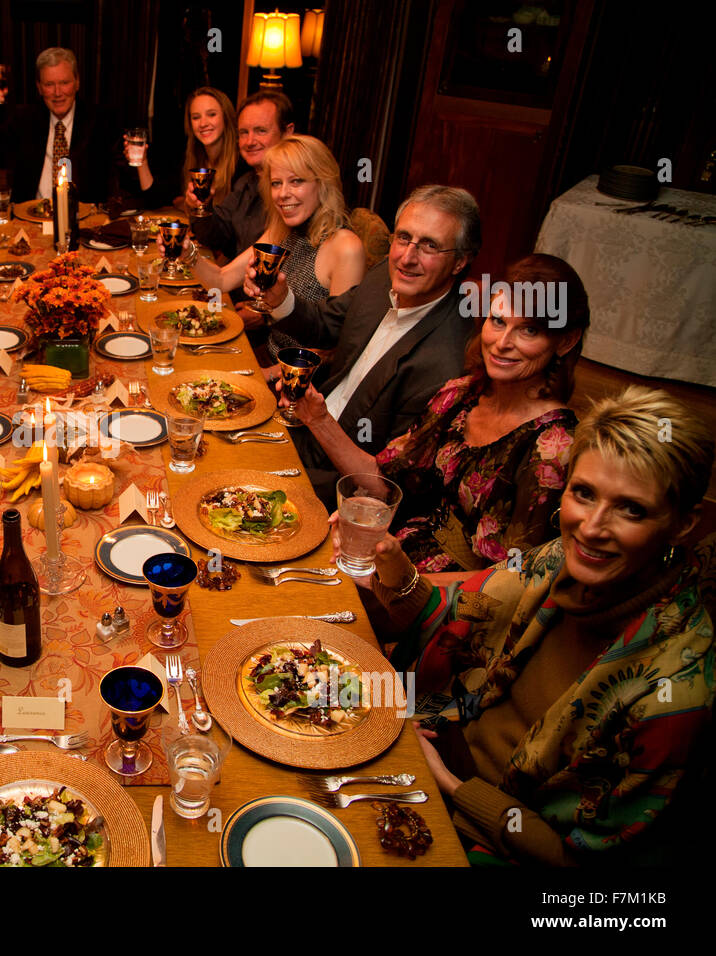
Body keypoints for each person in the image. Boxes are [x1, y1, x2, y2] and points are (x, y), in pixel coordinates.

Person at [343, 386, 714, 865]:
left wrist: (448, 784)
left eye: (631, 509)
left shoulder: (675, 691)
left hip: (481, 834)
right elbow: (453, 614)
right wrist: (391, 565)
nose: (592, 526)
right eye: (584, 494)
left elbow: (580, 860)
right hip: (427, 740)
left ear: (683, 523)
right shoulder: (558, 557)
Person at [286, 254, 587, 572]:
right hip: (394, 562)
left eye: (528, 331)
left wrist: (395, 576)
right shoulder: (460, 395)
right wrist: (317, 418)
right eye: (498, 321)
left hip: (449, 604)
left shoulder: (554, 448)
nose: (502, 343)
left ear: (566, 341)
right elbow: (385, 482)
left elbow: (510, 582)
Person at [249, 184, 483, 507]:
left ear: (459, 263)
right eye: (403, 237)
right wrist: (280, 299)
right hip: (305, 425)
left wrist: (318, 422)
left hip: (340, 479)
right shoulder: (385, 276)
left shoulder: (448, 362)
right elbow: (327, 323)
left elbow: (389, 487)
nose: (407, 257)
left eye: (429, 246)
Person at [191, 135, 365, 312]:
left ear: (322, 184)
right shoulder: (283, 230)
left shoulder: (346, 247)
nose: (282, 193)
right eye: (276, 183)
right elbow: (222, 279)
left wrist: (277, 305)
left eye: (296, 181)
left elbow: (337, 335)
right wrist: (185, 252)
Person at [0, 47, 121, 202]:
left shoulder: (101, 122)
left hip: (84, 218)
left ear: (77, 83)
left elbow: (119, 178)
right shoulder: (24, 120)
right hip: (30, 216)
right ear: (39, 87)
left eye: (64, 83)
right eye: (49, 84)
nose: (57, 92)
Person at [187, 90, 294, 259]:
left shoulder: (297, 190)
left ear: (287, 132)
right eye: (244, 132)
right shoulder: (246, 183)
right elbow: (216, 236)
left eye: (261, 131)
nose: (250, 141)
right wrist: (201, 206)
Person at [125, 87, 239, 210]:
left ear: (226, 117)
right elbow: (155, 198)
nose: (203, 123)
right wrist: (142, 162)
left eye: (211, 115)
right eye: (196, 117)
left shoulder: (239, 164)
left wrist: (186, 205)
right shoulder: (192, 157)